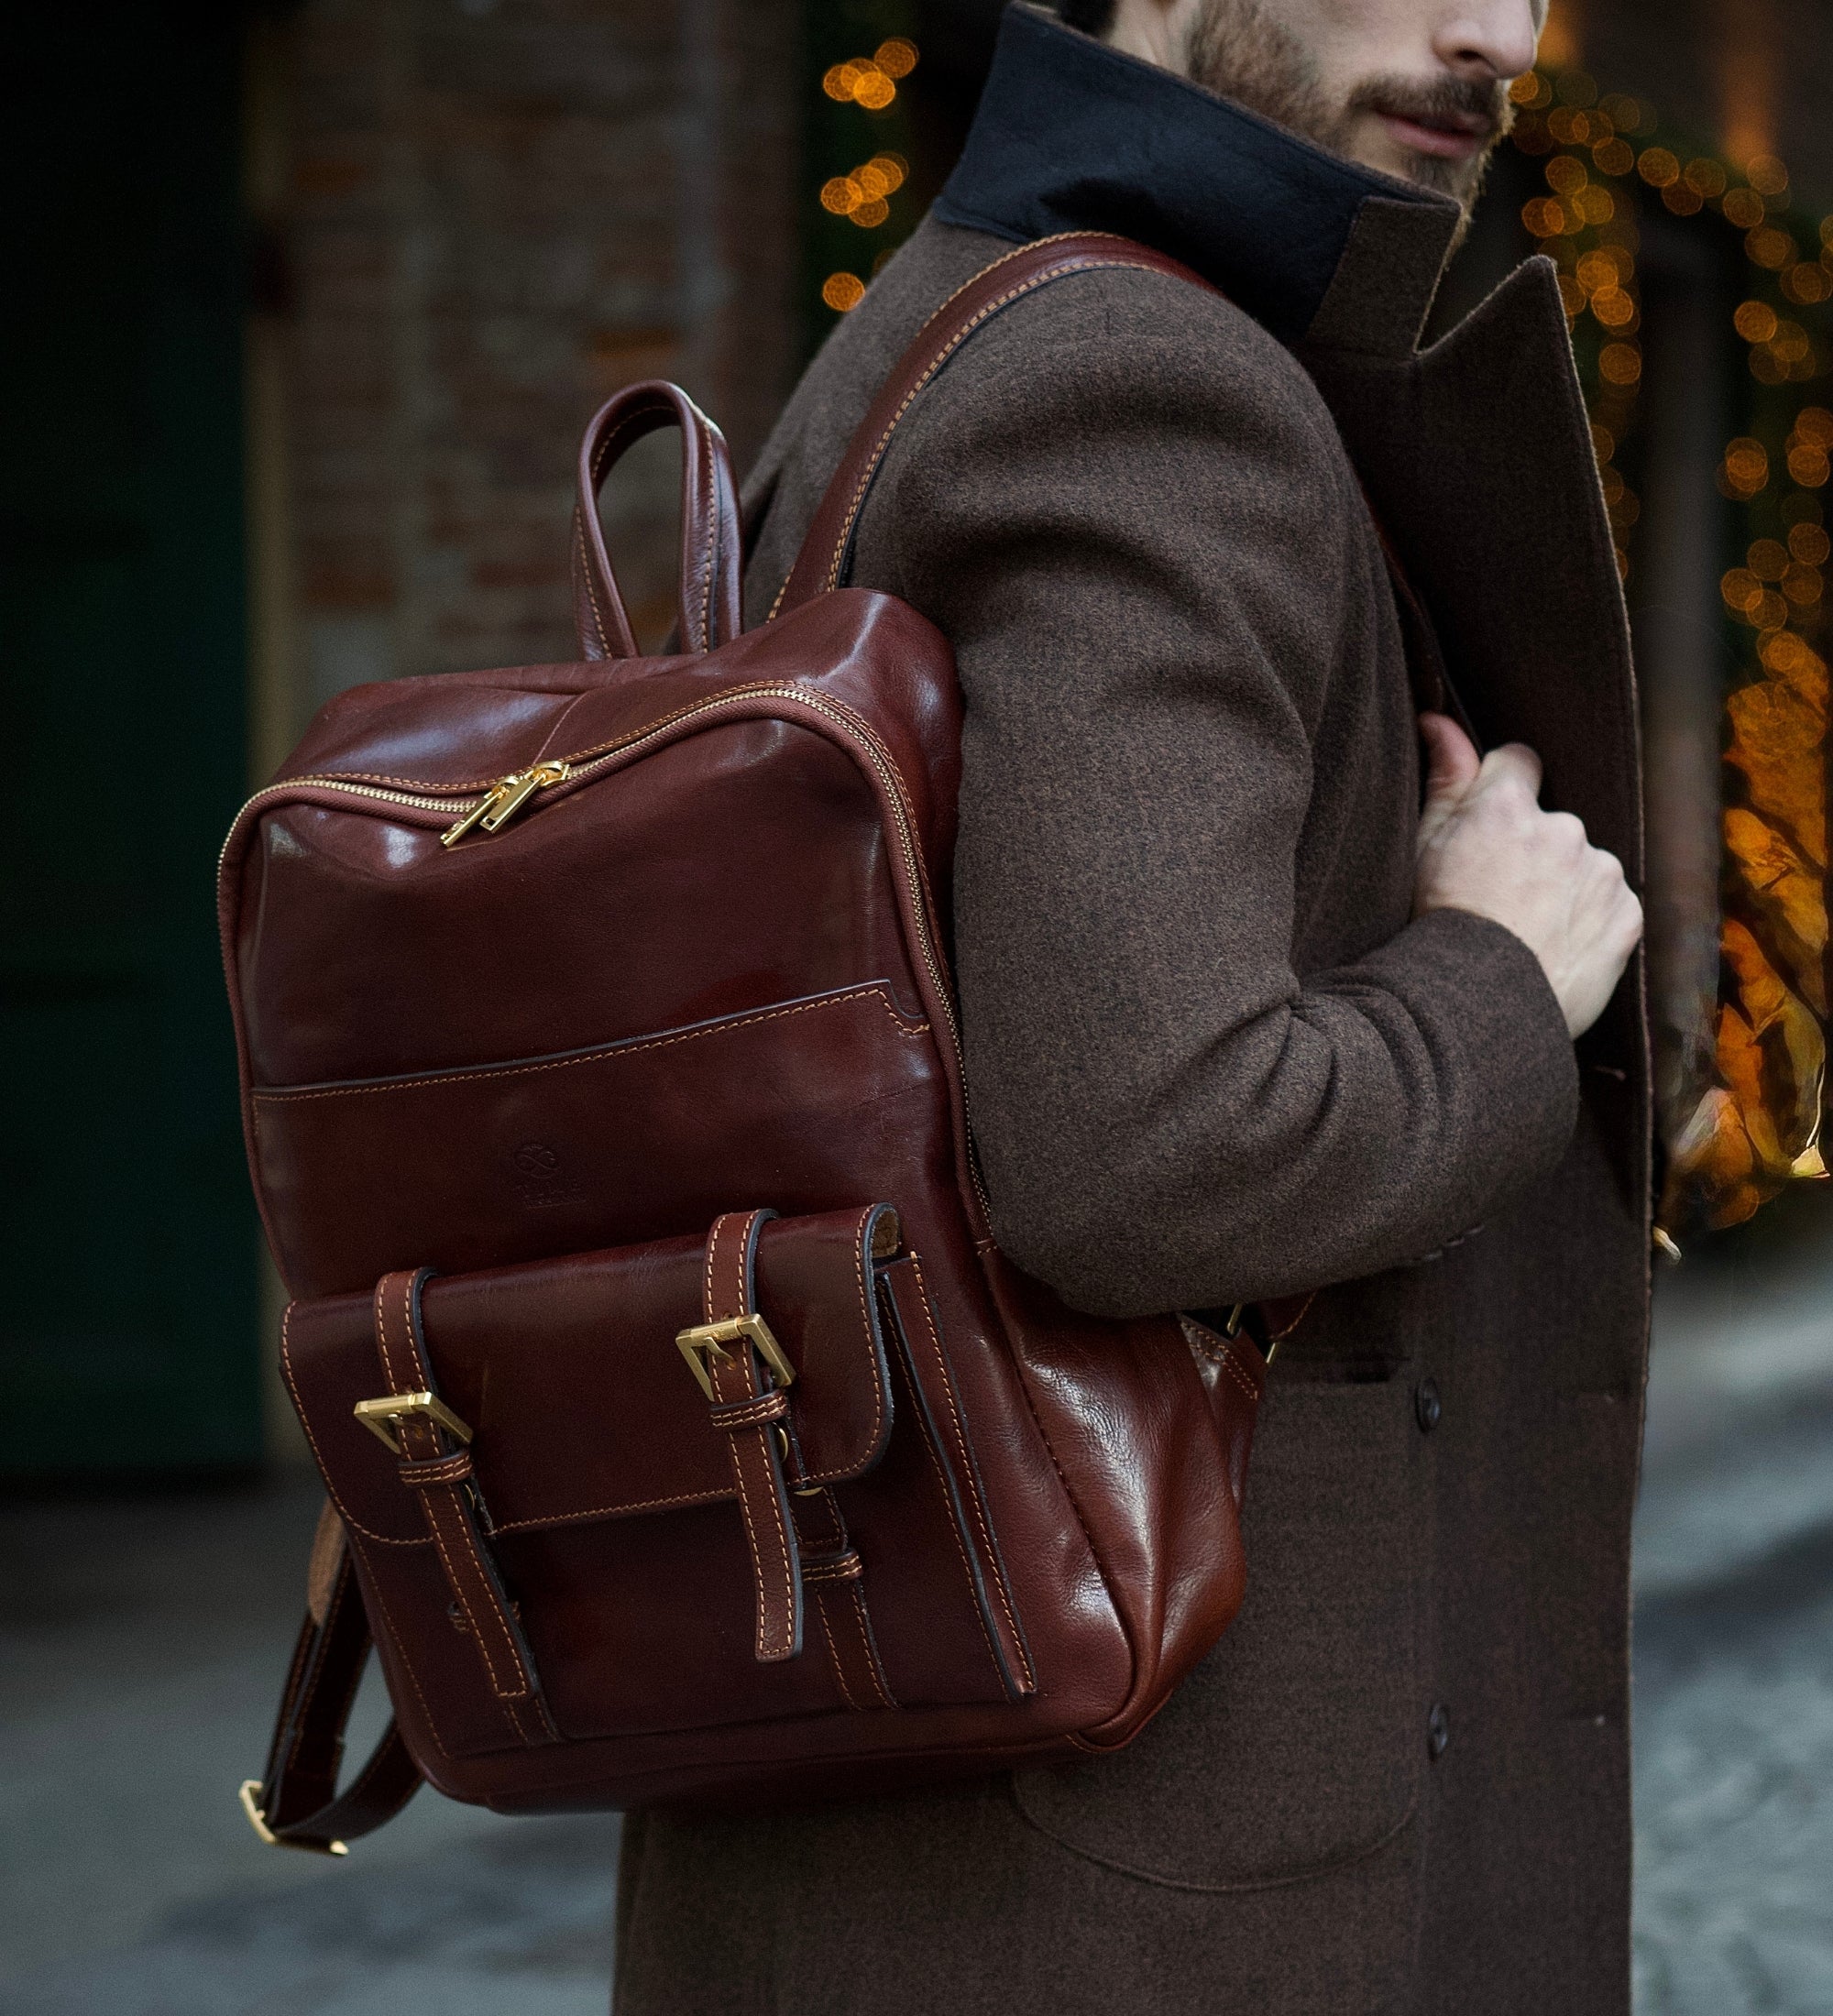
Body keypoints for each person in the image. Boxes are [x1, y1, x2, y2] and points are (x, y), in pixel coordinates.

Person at [614, 0, 1648, 2009]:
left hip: (957, 1797)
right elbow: (1157, 1150)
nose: (1501, 34)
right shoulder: (1141, 381)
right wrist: (1504, 973)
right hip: (1148, 1887)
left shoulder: (962, 310)